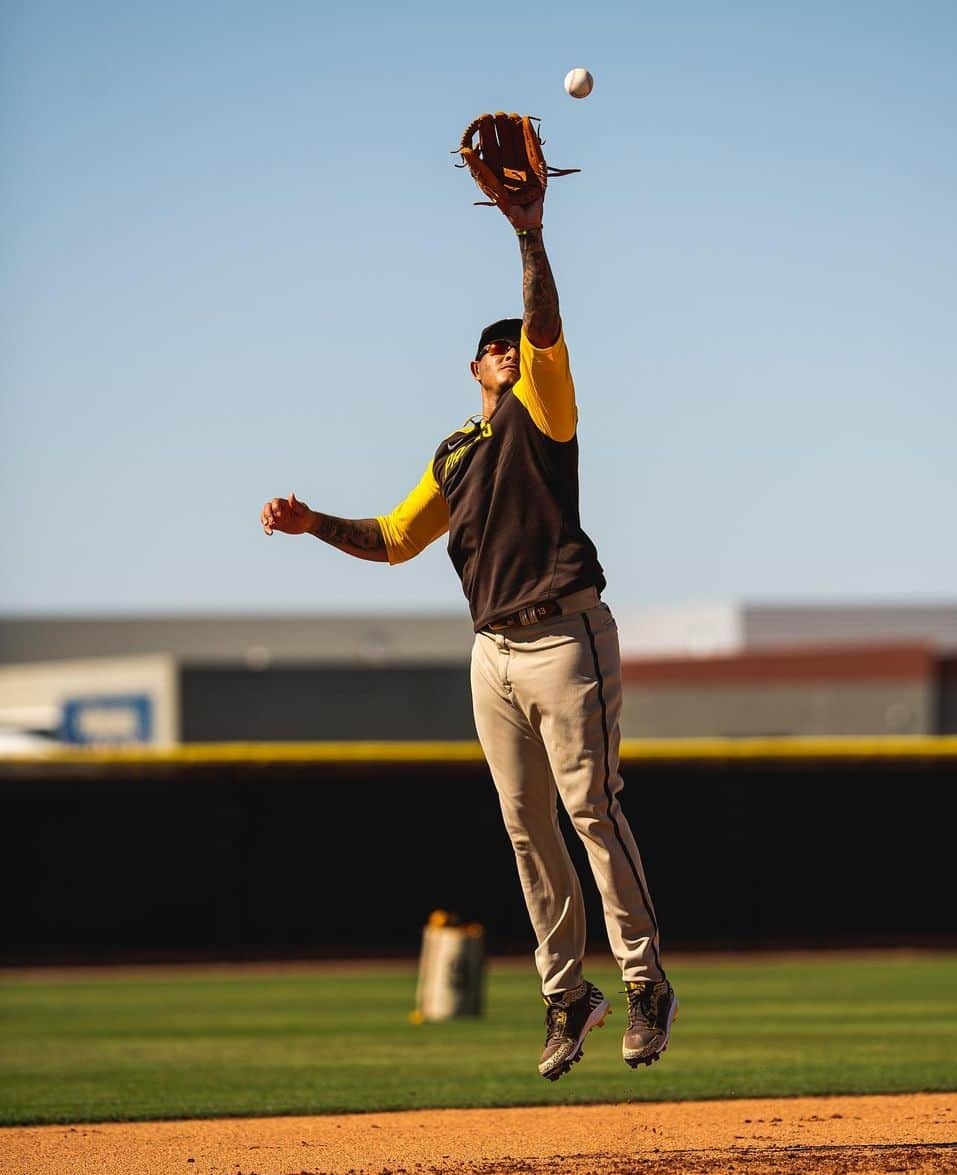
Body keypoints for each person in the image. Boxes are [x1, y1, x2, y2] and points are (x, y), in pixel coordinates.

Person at [259, 180, 676, 1082]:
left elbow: (544, 326)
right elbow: (394, 539)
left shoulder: (545, 413)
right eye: (492, 348)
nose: (506, 351)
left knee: (593, 813)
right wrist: (313, 524)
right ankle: (570, 998)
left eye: (513, 344)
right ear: (474, 370)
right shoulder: (454, 452)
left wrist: (530, 237)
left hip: (567, 638)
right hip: (492, 653)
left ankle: (646, 985)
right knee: (528, 831)